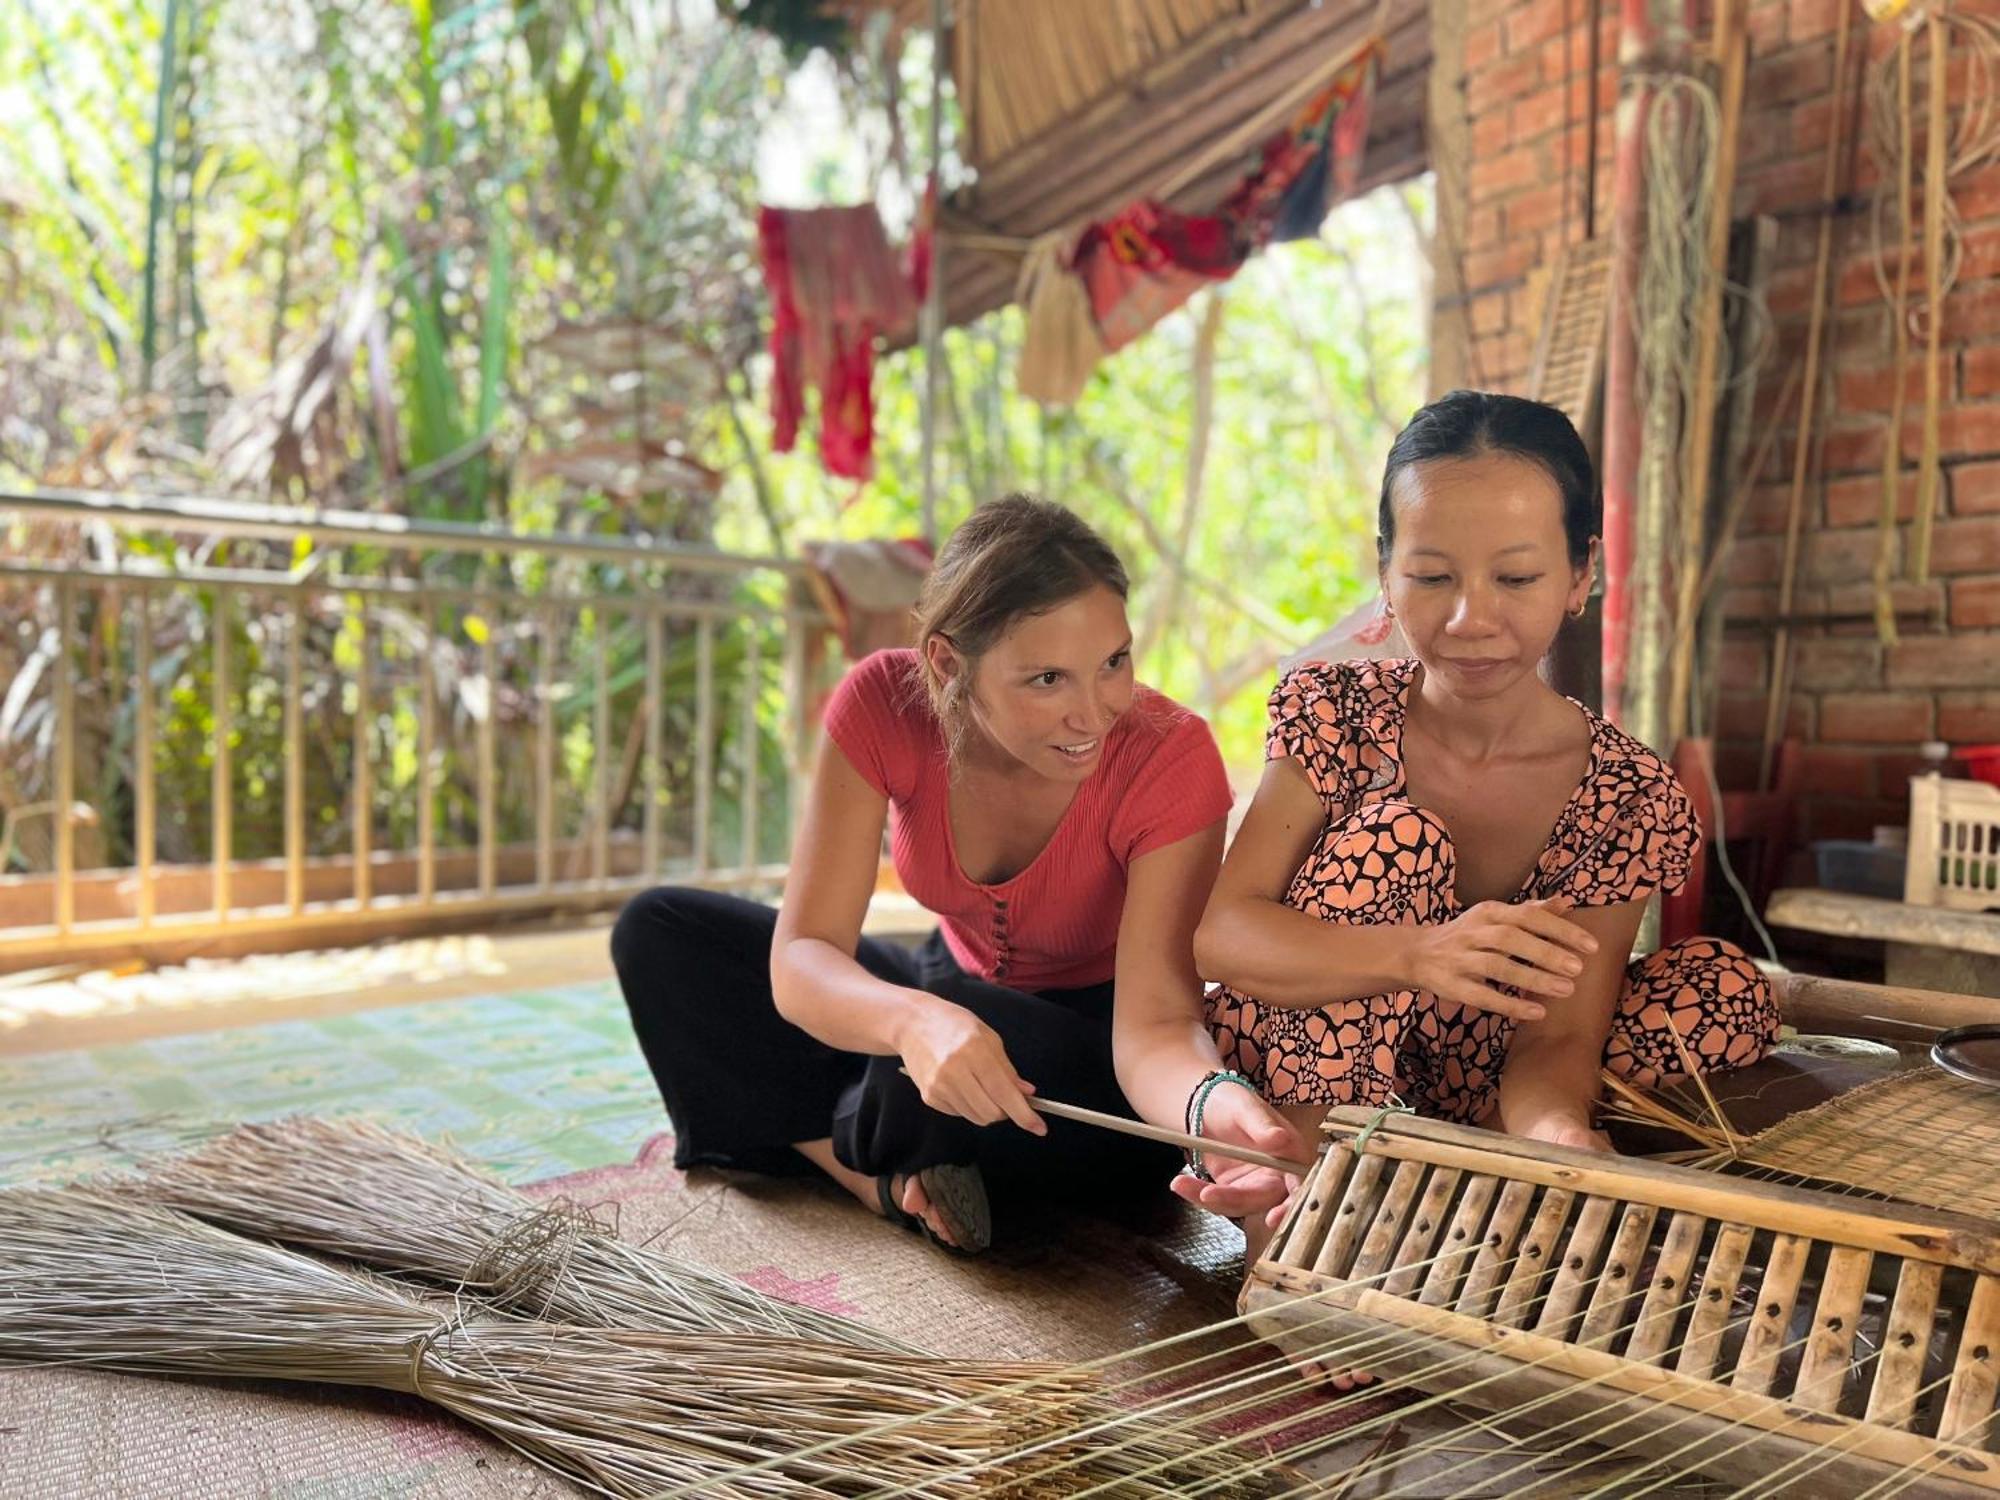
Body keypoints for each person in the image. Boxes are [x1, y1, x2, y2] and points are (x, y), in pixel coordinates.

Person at [613, 494, 1305, 1253]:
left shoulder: (1169, 755)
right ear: (947, 664)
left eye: (1114, 662)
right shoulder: (884, 701)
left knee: (935, 1070)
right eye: (1046, 679)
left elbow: (1158, 1028)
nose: (1094, 712)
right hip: (949, 986)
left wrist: (1213, 1109)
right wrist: (916, 1024)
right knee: (660, 934)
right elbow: (804, 952)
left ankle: (845, 1127)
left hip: (1092, 1055)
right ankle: (869, 1179)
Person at [1197, 390, 1780, 1284]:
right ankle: (1301, 1212)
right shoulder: (1336, 711)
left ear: (1582, 574)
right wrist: (1417, 955)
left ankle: (1476, 1175)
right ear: (1386, 573)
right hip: (1308, 1038)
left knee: (1729, 991)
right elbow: (1225, 935)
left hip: (1482, 1064)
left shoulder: (1623, 792)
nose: (1472, 618)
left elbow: (1559, 1037)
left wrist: (1560, 1138)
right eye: (1433, 577)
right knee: (1397, 838)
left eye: (1515, 578)